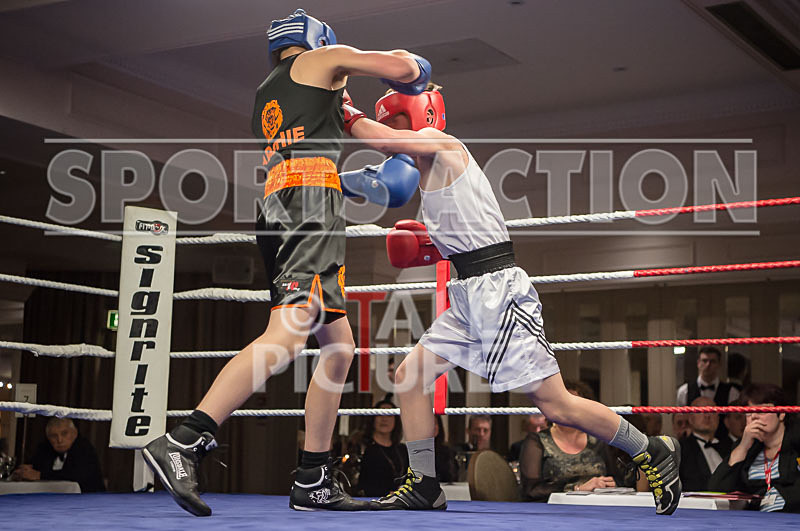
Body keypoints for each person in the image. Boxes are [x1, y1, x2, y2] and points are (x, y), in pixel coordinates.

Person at [142, 8, 433, 516]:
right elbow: (406, 68)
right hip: (310, 206)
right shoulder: (326, 59)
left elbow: (356, 141)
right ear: (317, 40)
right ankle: (186, 438)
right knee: (288, 334)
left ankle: (313, 476)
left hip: (280, 205)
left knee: (338, 348)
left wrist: (360, 122)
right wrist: (417, 77)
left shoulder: (266, 92)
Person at [343, 85, 682, 515]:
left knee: (554, 403)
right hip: (467, 293)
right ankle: (424, 484)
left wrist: (343, 111)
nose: (392, 133)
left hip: (497, 289)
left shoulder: (442, 144)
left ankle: (650, 448)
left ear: (416, 119)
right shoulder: (428, 170)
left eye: (395, 123)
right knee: (410, 375)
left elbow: (385, 143)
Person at [519, 381, 618, 501]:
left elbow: (616, 478)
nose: (567, 408)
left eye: (573, 403)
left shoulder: (598, 440)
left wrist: (612, 485)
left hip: (598, 508)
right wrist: (577, 489)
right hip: (554, 511)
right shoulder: (537, 441)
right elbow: (531, 491)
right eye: (562, 403)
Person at [708, 383, 800, 512]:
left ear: (782, 413)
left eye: (761, 411)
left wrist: (780, 497)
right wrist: (743, 446)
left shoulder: (796, 441)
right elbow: (716, 490)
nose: (754, 416)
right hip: (754, 522)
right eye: (748, 412)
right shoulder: (748, 447)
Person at [13, 418, 104, 493]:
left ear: (74, 433)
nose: (59, 440)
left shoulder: (84, 448)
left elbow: (75, 475)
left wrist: (40, 475)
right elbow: (33, 466)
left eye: (64, 434)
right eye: (53, 436)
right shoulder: (45, 448)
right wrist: (23, 472)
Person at [679, 397, 733, 492]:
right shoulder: (681, 449)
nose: (707, 415)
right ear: (690, 418)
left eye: (712, 411)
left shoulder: (731, 447)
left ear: (718, 418)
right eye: (701, 411)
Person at [357, 400, 409, 497]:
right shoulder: (362, 447)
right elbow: (356, 483)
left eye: (389, 415)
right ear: (373, 418)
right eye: (380, 414)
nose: (384, 419)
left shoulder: (402, 449)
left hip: (399, 503)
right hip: (367, 501)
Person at [433, 415, 457, 483]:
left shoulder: (447, 452)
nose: (433, 427)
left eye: (435, 423)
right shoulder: (411, 451)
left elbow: (451, 478)